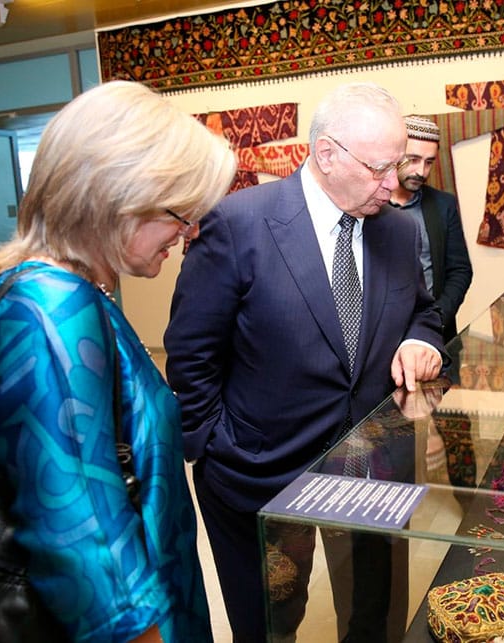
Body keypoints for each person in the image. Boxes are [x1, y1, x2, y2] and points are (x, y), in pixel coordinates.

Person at [164, 82, 445, 642]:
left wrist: (423, 341)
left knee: (376, 614)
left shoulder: (398, 228)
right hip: (260, 472)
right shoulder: (239, 223)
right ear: (326, 155)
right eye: (380, 168)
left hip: (373, 466)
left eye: (399, 165)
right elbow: (191, 353)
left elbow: (425, 312)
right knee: (272, 620)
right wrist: (217, 447)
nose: (395, 185)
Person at [0, 80, 237, 641]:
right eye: (179, 214)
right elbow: (77, 527)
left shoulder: (79, 292)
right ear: (117, 196)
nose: (188, 233)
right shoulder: (50, 306)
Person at [390, 115, 473, 344]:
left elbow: (460, 271)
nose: (421, 171)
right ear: (395, 155)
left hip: (434, 335)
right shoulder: (370, 206)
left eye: (429, 162)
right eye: (413, 159)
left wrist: (435, 320)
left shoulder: (443, 205)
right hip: (382, 339)